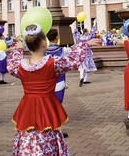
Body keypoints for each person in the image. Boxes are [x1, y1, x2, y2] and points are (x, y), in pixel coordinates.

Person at [7, 23, 98, 155]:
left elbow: (11, 64)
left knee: (27, 138)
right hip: (46, 108)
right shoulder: (52, 64)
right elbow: (73, 60)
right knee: (47, 139)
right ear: (44, 43)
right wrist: (86, 44)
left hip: (27, 108)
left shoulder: (20, 66)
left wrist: (19, 49)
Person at [73, 21, 97, 86]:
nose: (88, 32)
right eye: (87, 32)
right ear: (85, 32)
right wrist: (94, 23)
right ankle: (85, 80)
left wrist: (75, 26)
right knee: (88, 67)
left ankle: (81, 78)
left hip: (81, 53)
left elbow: (75, 33)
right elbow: (92, 33)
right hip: (87, 53)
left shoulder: (79, 38)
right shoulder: (87, 38)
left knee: (81, 67)